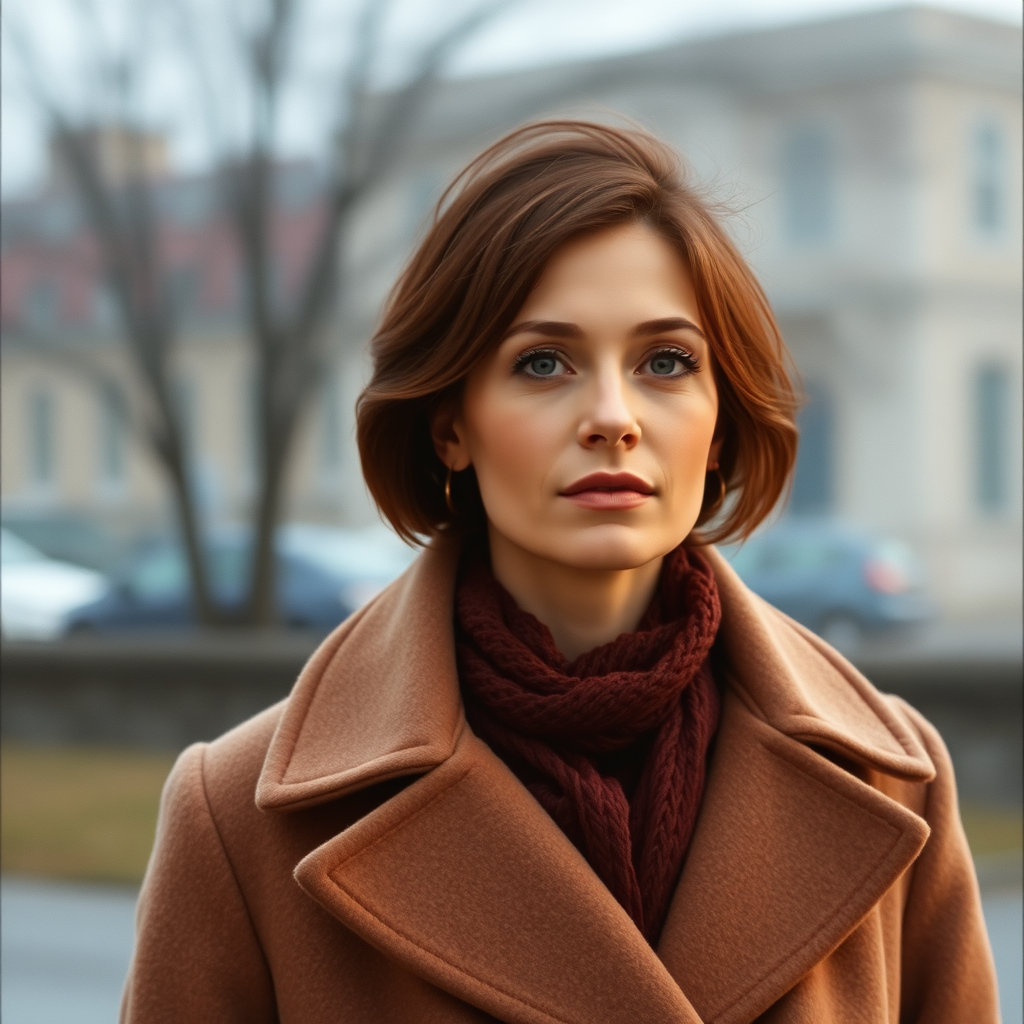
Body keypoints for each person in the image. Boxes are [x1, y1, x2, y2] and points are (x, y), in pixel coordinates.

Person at [121, 121, 999, 1023]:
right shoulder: (237, 817)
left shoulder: (894, 779)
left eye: (666, 362)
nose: (613, 417)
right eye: (543, 363)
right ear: (449, 425)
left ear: (722, 422)